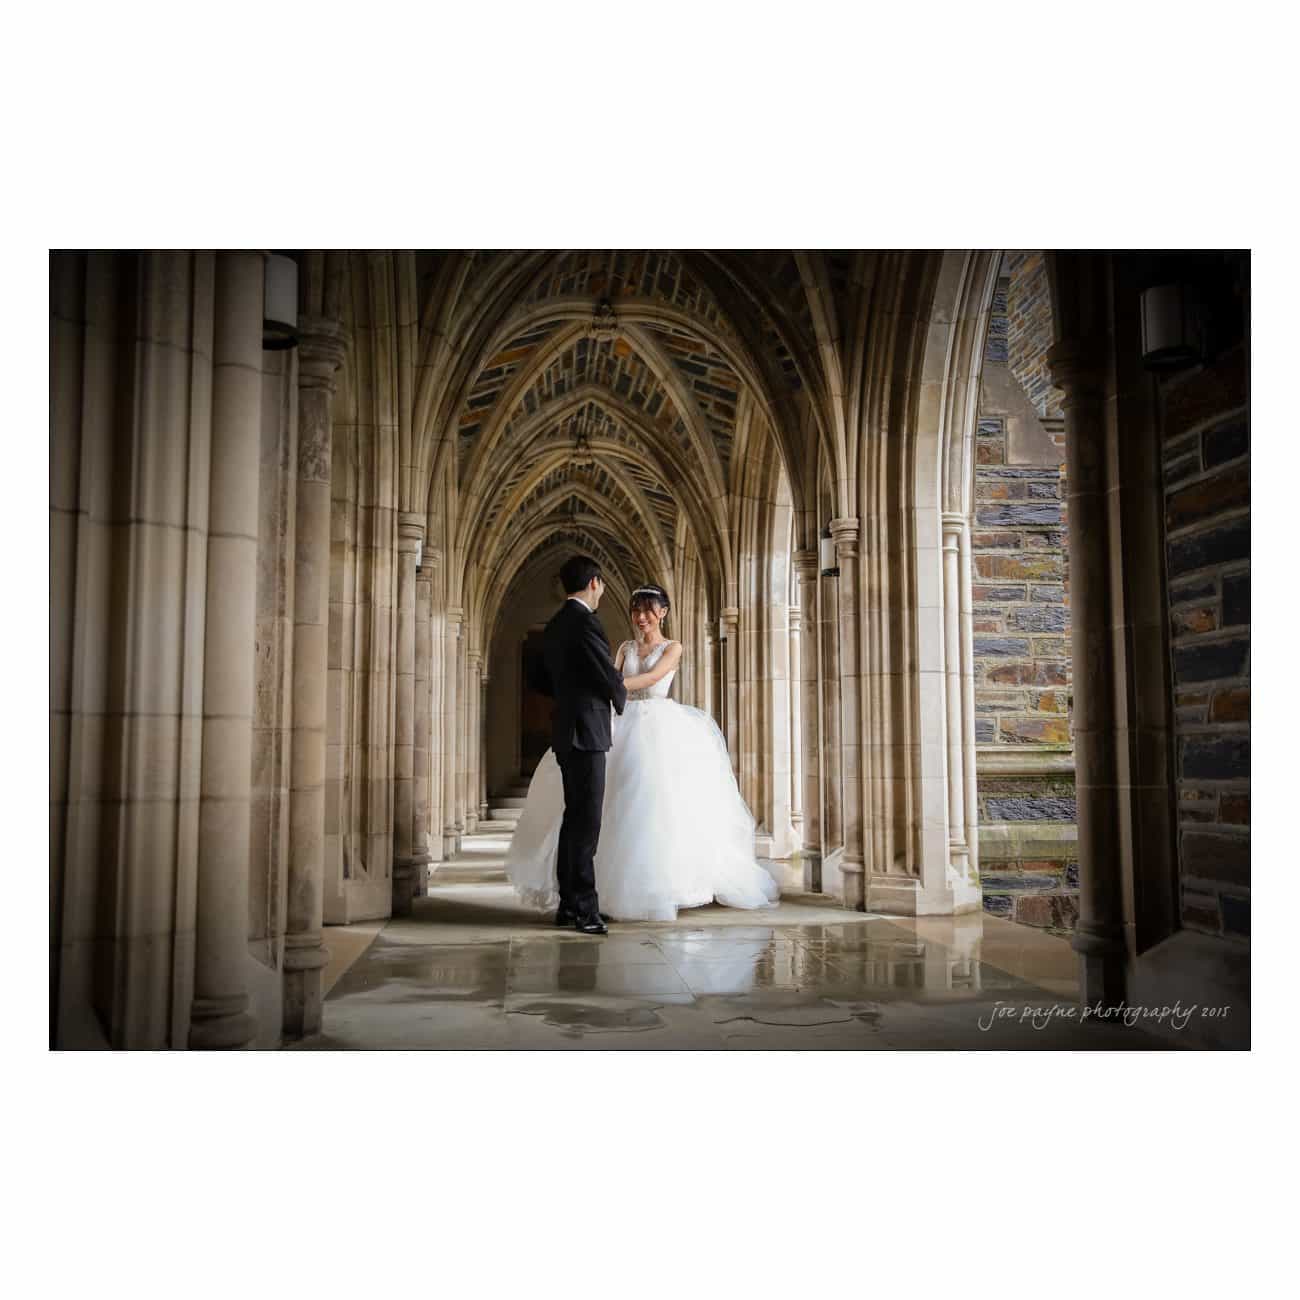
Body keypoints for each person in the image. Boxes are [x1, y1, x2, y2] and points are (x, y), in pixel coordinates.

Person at [507, 579, 780, 923]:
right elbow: (612, 672)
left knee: (653, 804)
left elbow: (653, 679)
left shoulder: (673, 647)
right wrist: (604, 684)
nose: (641, 617)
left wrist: (610, 685)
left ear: (662, 612)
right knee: (607, 803)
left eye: (648, 610)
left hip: (658, 726)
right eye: (636, 610)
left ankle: (661, 885)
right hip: (620, 722)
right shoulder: (624, 647)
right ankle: (601, 885)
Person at [523, 555, 627, 935]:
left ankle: (569, 904)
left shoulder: (554, 624)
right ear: (595, 583)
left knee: (574, 821)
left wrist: (567, 695)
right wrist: (617, 699)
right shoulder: (585, 623)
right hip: (586, 732)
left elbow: (537, 678)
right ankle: (584, 909)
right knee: (586, 824)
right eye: (601, 586)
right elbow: (605, 673)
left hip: (566, 730)